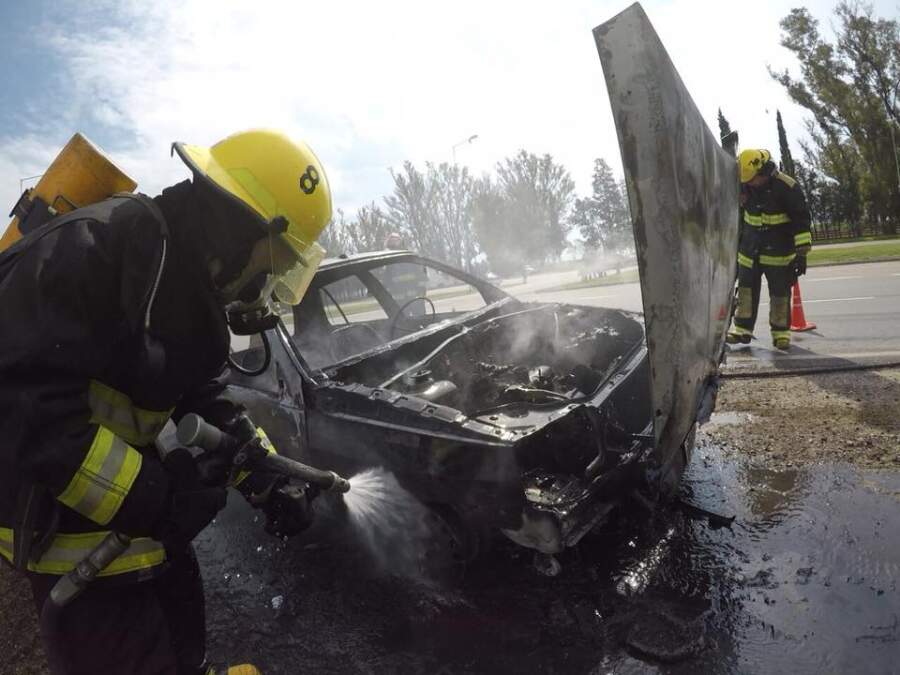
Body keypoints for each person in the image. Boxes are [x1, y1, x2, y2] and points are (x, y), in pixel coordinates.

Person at [0, 129, 332, 674]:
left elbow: (197, 394)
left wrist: (262, 470)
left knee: (187, 660)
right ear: (238, 228)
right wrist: (155, 495)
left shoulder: (183, 282)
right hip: (80, 566)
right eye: (272, 262)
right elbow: (17, 402)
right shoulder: (97, 249)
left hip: (148, 545)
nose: (268, 282)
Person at [727, 149, 812, 351]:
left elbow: (801, 220)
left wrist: (801, 254)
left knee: (780, 295)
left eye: (753, 179)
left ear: (765, 171)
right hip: (749, 252)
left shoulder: (787, 187)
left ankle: (781, 334)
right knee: (746, 292)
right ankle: (742, 331)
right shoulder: (743, 184)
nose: (749, 184)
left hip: (779, 254)